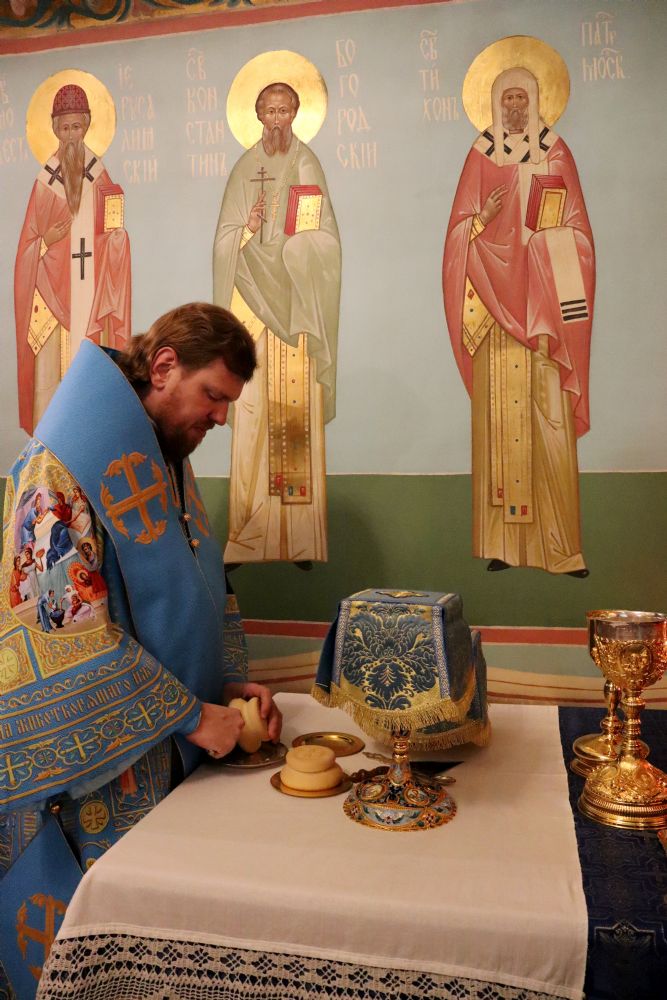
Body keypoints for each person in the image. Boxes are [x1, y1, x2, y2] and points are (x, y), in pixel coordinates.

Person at [0, 303, 282, 999]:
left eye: (227, 403)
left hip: (167, 764)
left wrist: (228, 683)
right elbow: (65, 636)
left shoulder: (163, 453)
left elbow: (197, 581)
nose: (220, 418)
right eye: (213, 395)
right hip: (93, 790)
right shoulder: (58, 471)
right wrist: (191, 716)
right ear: (163, 367)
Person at [443, 66, 595, 576]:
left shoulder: (557, 153)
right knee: (499, 423)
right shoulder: (480, 154)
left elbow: (580, 235)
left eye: (521, 98)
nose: (513, 108)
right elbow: (458, 235)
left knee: (550, 425)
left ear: (535, 102)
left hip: (543, 315)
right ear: (494, 104)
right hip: (494, 310)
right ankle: (503, 545)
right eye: (505, 99)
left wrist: (548, 242)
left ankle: (562, 548)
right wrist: (483, 218)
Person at [213, 80, 341, 564]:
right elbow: (222, 241)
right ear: (258, 115)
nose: (277, 120)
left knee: (294, 409)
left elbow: (326, 236)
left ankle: (301, 538)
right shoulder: (244, 168)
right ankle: (248, 533)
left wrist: (301, 245)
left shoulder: (307, 163)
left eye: (285, 111)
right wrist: (246, 229)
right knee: (250, 411)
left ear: (295, 115)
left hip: (295, 302)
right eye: (269, 111)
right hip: (250, 296)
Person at [14, 82, 132, 436]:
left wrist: (117, 239)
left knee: (88, 380)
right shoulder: (45, 181)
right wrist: (45, 242)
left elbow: (111, 232)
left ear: (87, 126)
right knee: (51, 384)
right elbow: (26, 249)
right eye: (64, 128)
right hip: (50, 301)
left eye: (76, 127)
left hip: (89, 298)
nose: (70, 136)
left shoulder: (99, 174)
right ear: (54, 129)